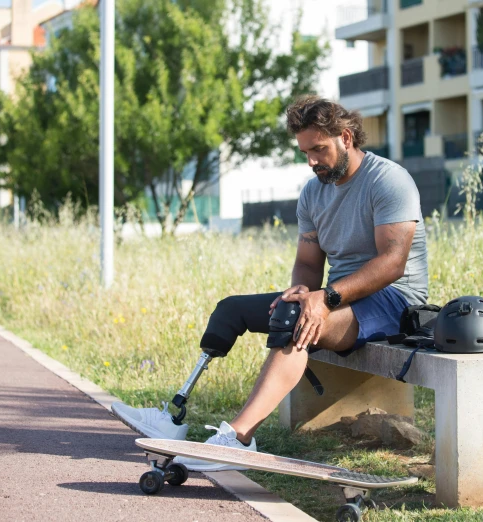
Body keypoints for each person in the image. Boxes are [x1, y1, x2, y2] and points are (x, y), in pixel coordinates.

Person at [112, 95, 429, 471]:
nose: (311, 161)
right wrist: (301, 288)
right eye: (305, 152)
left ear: (346, 137)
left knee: (295, 321)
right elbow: (309, 263)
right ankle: (174, 414)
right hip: (338, 296)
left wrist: (324, 298)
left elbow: (392, 263)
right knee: (232, 310)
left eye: (318, 149)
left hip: (394, 300)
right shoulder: (314, 192)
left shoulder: (388, 180)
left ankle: (239, 440)